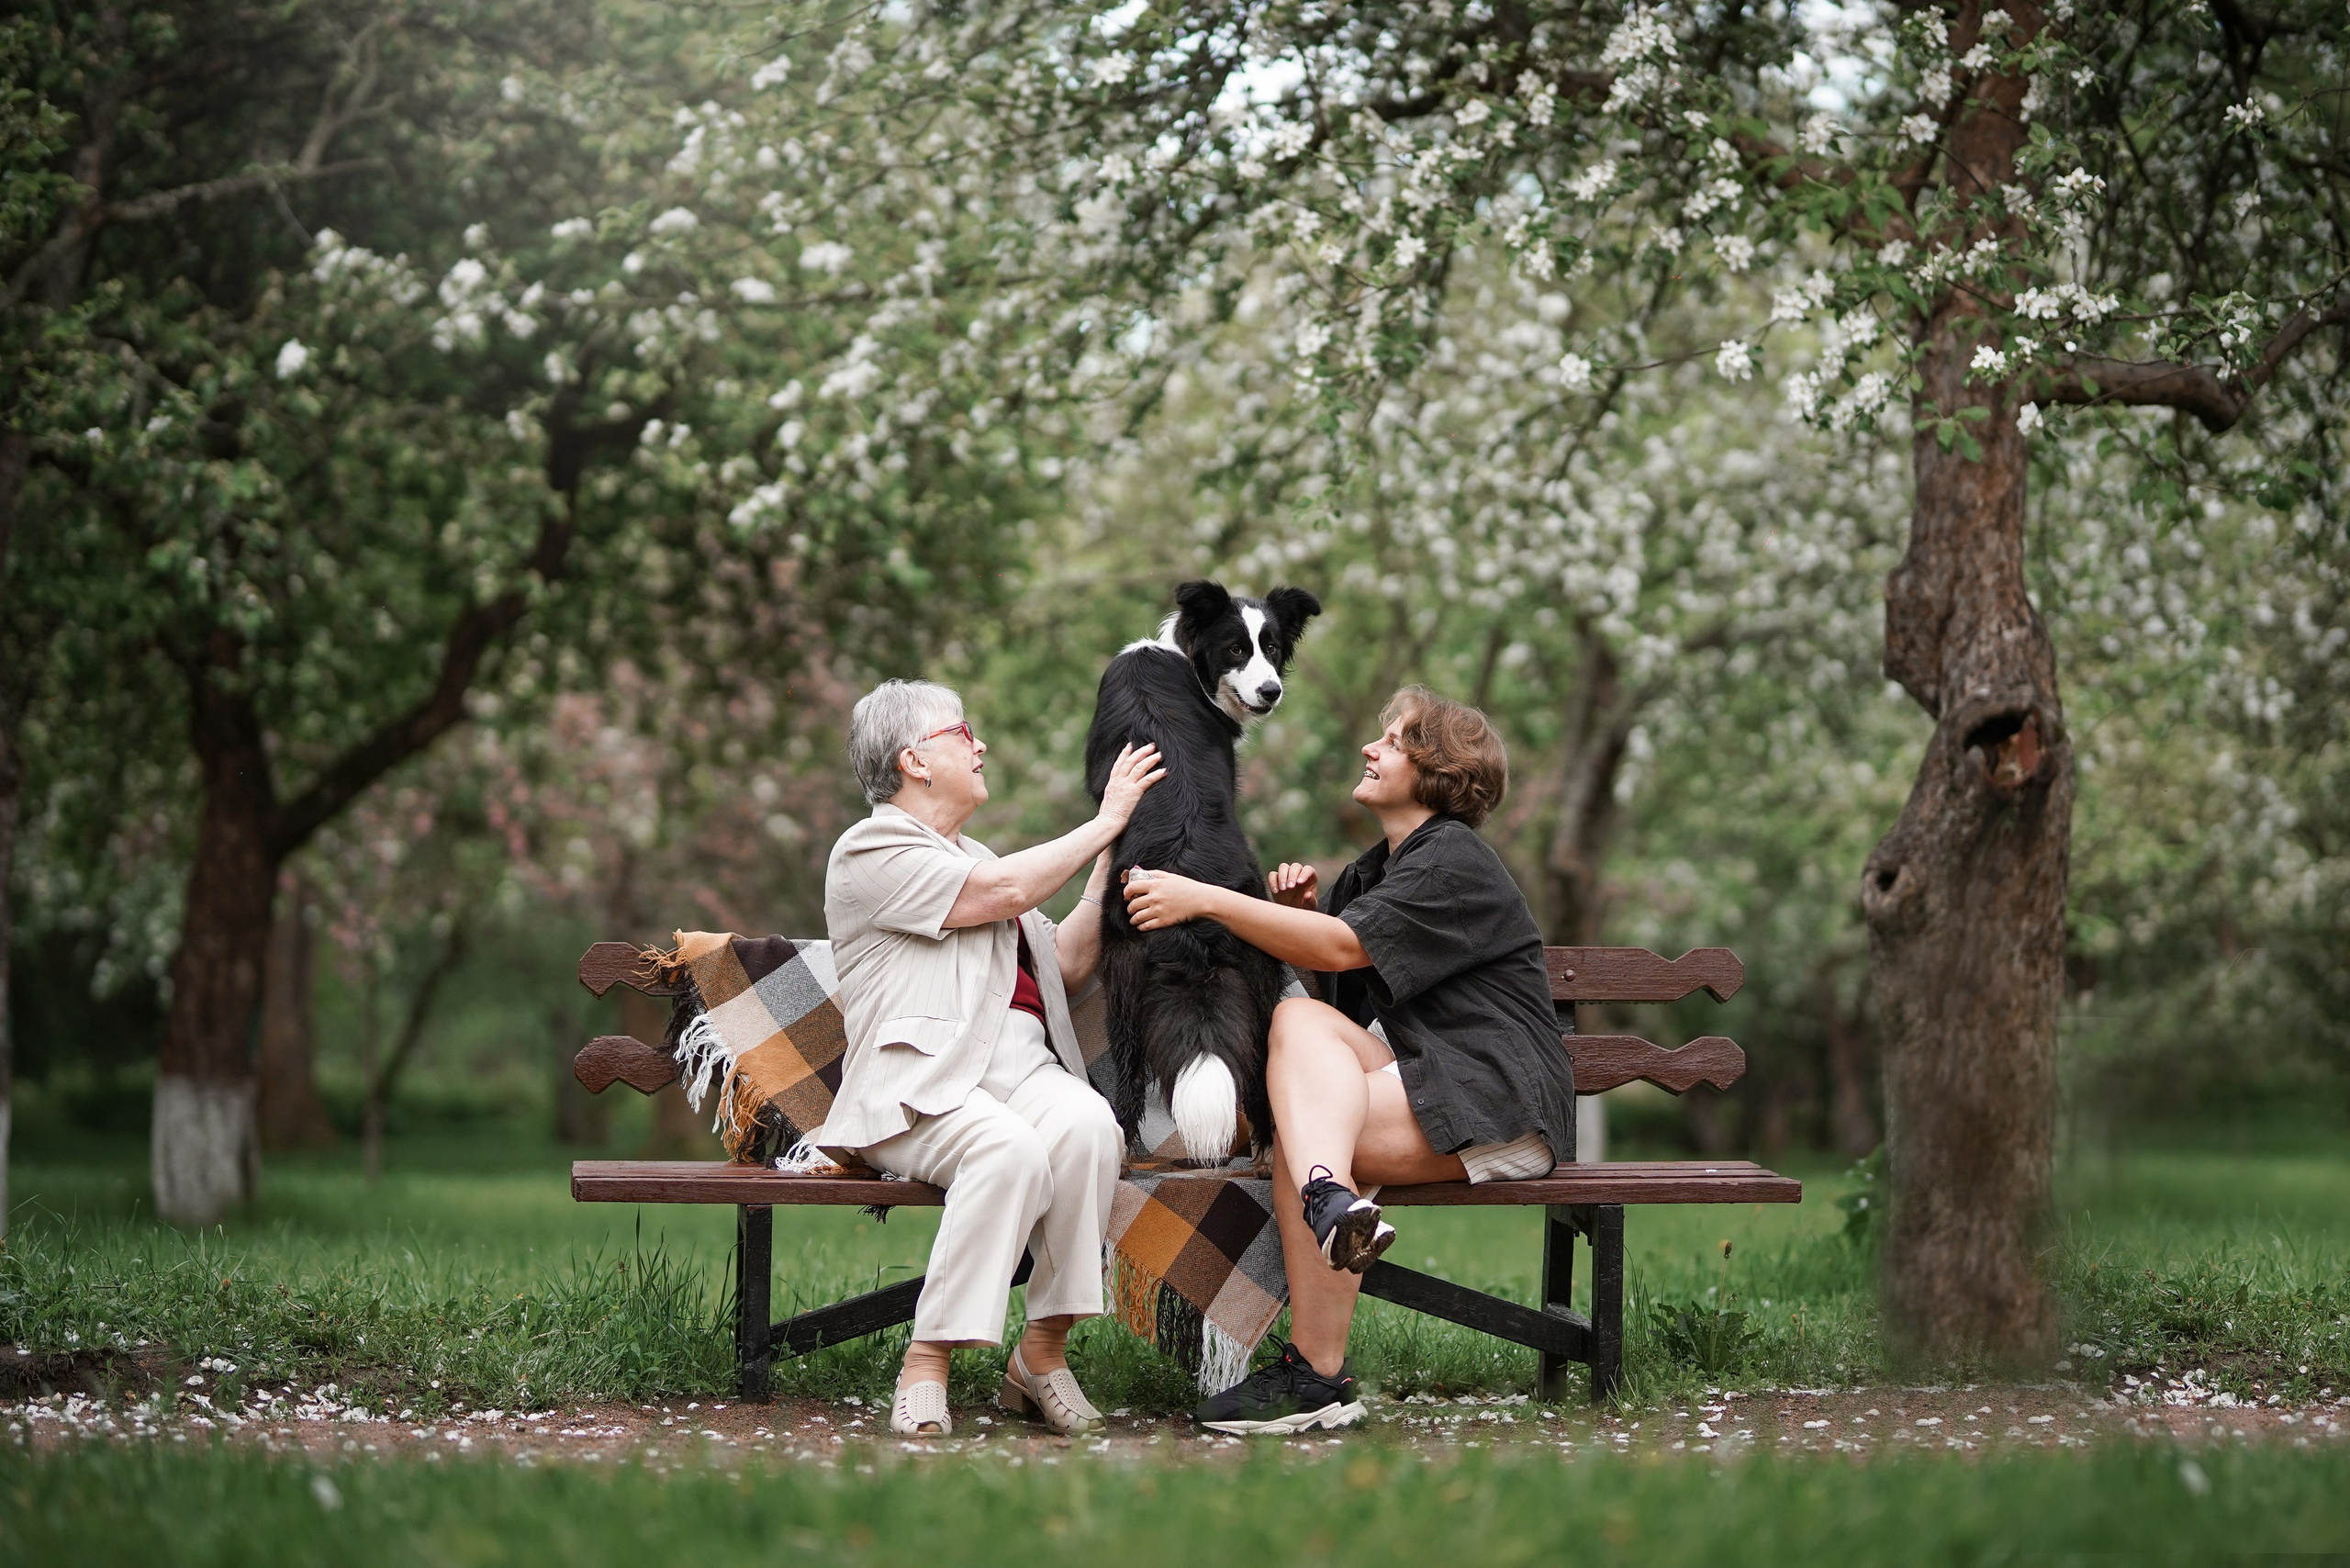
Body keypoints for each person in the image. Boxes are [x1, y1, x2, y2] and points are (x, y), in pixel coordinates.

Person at [1123, 686, 1572, 1435]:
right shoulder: (1375, 873)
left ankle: (1317, 1367)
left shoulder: (1453, 857)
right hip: (1430, 1084)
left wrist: (1205, 898)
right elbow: (1334, 1018)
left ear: (1439, 771)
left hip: (1495, 1102)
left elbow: (1342, 949)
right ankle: (1331, 1212)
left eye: (1394, 742)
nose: (1372, 748)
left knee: (1305, 1137)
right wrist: (1301, 917)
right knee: (1299, 1037)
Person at [813, 678, 1165, 1438]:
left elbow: (1066, 964)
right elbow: (1004, 891)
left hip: (1020, 1073)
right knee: (1007, 1153)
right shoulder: (871, 848)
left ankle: (1041, 1356)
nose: (981, 746)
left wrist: (1115, 855)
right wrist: (1105, 820)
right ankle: (926, 1362)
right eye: (963, 732)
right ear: (914, 759)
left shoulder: (978, 859)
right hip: (922, 1087)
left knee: (1088, 1128)